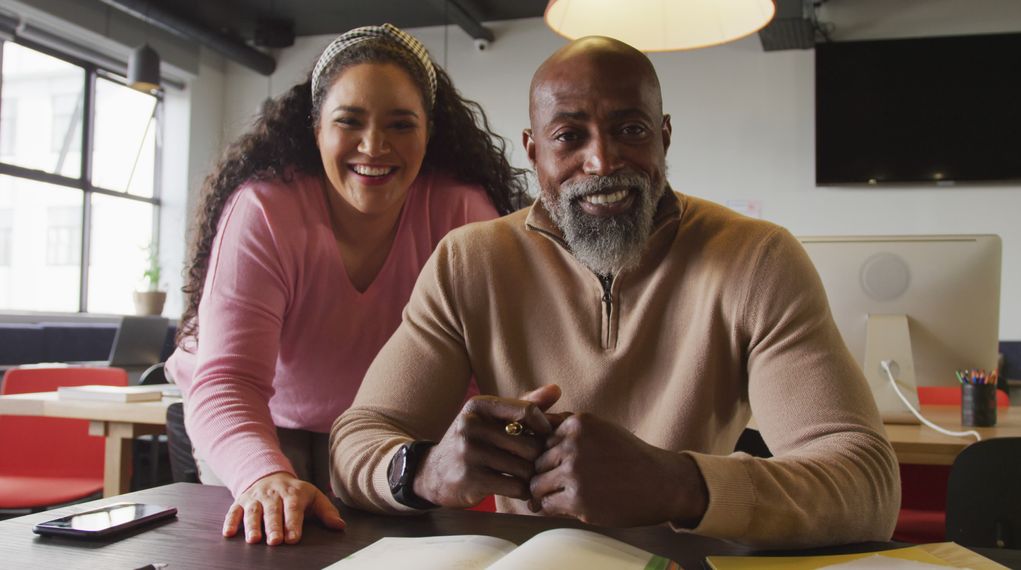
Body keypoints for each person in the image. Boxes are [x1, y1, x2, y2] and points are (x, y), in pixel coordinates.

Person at [329, 36, 900, 548]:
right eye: (568, 136)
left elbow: (866, 483)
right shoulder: (467, 261)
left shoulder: (757, 260)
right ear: (533, 152)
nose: (602, 162)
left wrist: (680, 484)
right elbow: (355, 440)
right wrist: (423, 470)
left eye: (630, 129)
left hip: (683, 558)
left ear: (664, 136)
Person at [166, 24, 526, 546]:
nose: (374, 146)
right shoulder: (266, 209)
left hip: (383, 429)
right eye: (349, 121)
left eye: (401, 125)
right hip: (255, 417)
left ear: (430, 132)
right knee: (271, 541)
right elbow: (228, 383)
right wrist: (264, 477)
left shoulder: (461, 213)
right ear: (316, 130)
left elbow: (478, 376)